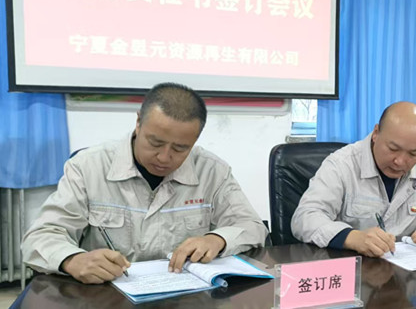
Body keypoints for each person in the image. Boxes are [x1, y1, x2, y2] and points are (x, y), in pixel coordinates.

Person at [22, 82, 268, 284]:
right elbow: (41, 236)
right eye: (155, 143)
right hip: (106, 297)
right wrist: (72, 259)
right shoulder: (88, 167)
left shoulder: (212, 170)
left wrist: (217, 239)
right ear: (138, 122)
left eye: (180, 148)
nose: (164, 157)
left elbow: (252, 226)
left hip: (184, 298)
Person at [291, 101, 416, 257]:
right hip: (355, 271)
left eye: (413, 153)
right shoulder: (341, 164)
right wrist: (351, 237)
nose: (400, 161)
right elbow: (305, 217)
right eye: (393, 149)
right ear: (376, 133)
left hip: (408, 273)